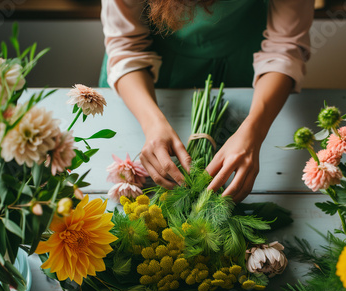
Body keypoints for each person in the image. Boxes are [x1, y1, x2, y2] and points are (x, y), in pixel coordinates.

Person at [100, 0, 313, 202]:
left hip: (247, 65)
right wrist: (153, 125)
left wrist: (254, 130)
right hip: (147, 74)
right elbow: (125, 46)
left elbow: (284, 47)